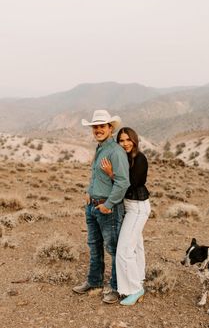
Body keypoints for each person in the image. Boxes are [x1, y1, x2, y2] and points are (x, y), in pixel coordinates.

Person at [72, 110, 130, 304]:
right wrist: (89, 191)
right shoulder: (100, 148)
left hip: (108, 208)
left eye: (101, 126)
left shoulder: (116, 151)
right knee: (94, 246)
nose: (97, 130)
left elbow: (122, 182)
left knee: (113, 250)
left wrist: (108, 204)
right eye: (95, 127)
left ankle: (115, 287)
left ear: (110, 128)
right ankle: (94, 280)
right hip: (93, 205)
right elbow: (96, 175)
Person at [101, 127, 151, 305]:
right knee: (136, 247)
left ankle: (135, 289)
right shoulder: (124, 158)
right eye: (121, 141)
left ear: (134, 140)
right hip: (129, 207)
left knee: (124, 250)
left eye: (128, 140)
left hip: (138, 207)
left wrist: (111, 174)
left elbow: (131, 184)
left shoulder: (140, 158)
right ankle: (139, 279)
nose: (125, 143)